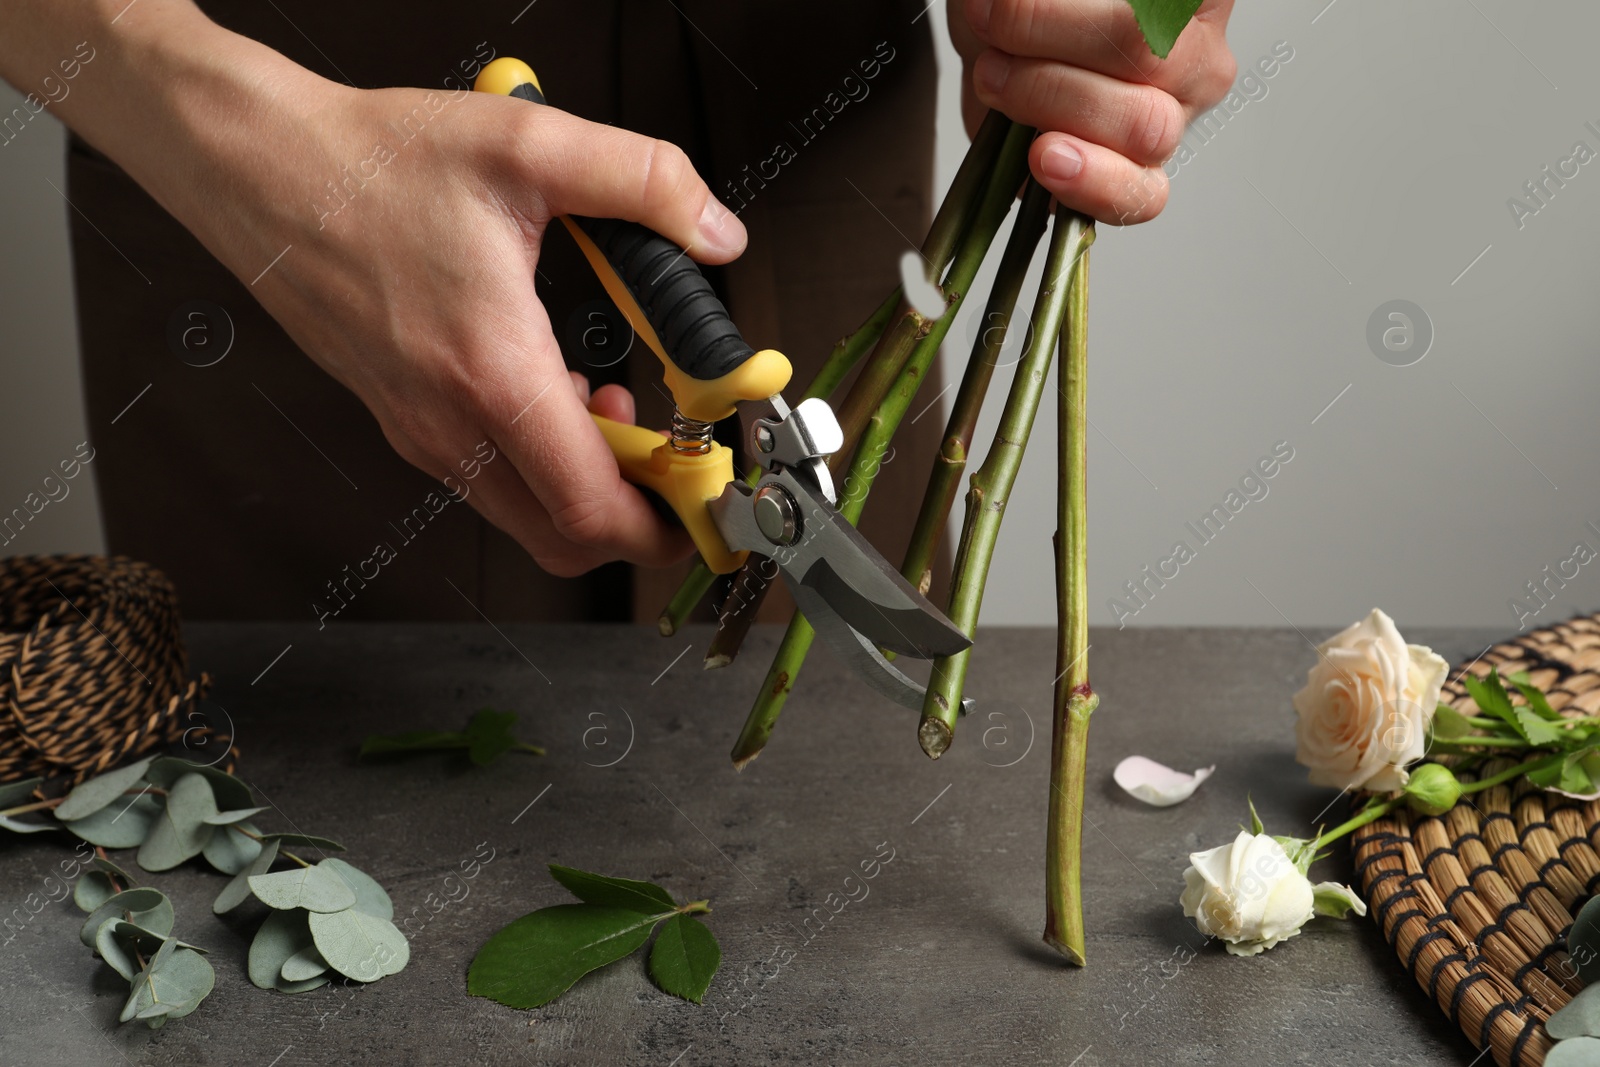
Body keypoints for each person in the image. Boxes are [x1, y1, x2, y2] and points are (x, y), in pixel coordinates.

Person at [0, 0, 1236, 624]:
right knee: (309, 815)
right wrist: (259, 152)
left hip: (822, 200)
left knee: (830, 808)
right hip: (276, 184)